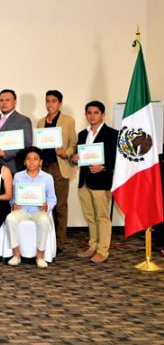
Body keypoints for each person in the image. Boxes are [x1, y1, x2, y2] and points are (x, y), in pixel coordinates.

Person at [72, 100, 118, 263]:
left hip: (101, 181)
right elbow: (79, 156)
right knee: (90, 216)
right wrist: (74, 158)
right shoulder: (83, 134)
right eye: (89, 113)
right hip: (84, 180)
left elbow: (116, 159)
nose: (92, 116)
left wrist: (103, 166)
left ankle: (103, 250)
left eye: (96, 112)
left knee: (102, 217)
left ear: (103, 115)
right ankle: (93, 246)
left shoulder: (112, 134)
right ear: (86, 115)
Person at [37, 89, 78, 249]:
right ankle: (47, 240)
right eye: (48, 101)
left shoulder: (68, 121)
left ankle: (60, 243)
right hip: (44, 168)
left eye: (53, 101)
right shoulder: (41, 122)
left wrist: (65, 153)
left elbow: (73, 144)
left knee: (60, 206)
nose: (50, 104)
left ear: (60, 104)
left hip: (59, 167)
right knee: (43, 205)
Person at [5, 147, 57, 268]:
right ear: (24, 162)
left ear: (40, 162)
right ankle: (16, 255)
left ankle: (40, 256)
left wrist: (47, 206)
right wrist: (13, 204)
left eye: (35, 159)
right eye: (28, 159)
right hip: (22, 210)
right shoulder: (18, 176)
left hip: (39, 211)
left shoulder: (47, 178)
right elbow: (13, 197)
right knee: (10, 219)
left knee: (44, 221)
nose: (31, 162)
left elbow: (52, 198)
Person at [0, 89, 34, 173]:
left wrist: (5, 153)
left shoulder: (23, 120)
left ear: (15, 102)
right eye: (1, 100)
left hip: (13, 168)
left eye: (7, 100)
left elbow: (27, 145)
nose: (4, 103)